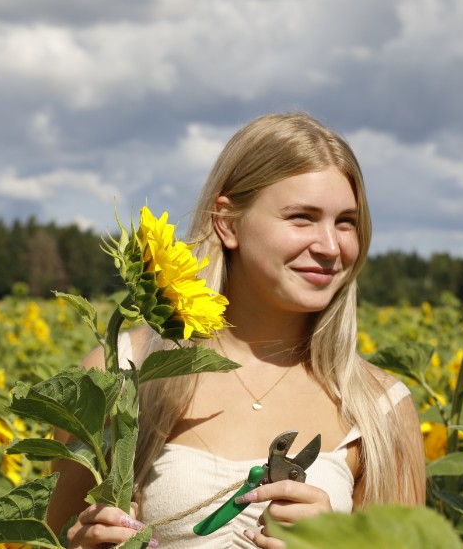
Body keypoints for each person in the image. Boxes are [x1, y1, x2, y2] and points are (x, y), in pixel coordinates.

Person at [47, 112, 426, 548]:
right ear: (228, 223)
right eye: (302, 217)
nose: (330, 245)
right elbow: (53, 538)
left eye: (346, 222)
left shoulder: (379, 409)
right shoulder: (121, 372)